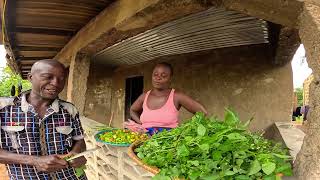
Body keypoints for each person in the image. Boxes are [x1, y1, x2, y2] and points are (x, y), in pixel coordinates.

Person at [0, 60, 87, 179]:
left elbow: (79, 140)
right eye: (48, 77)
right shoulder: (4, 109)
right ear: (30, 77)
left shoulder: (69, 109)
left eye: (61, 79)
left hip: (70, 176)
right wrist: (34, 161)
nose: (56, 83)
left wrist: (77, 153)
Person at [129, 62, 207, 135]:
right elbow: (133, 110)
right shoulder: (144, 96)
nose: (158, 78)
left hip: (168, 144)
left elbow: (202, 112)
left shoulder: (176, 96)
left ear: (170, 78)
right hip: (144, 142)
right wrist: (140, 124)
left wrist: (186, 128)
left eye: (163, 76)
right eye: (155, 74)